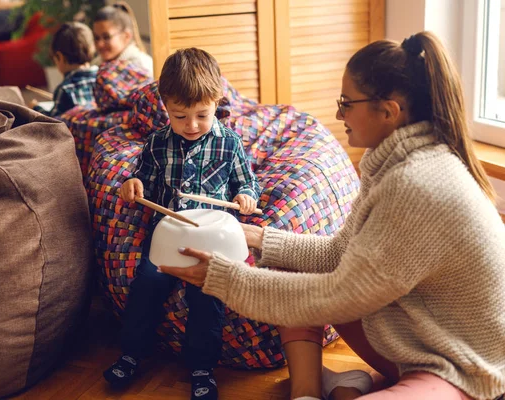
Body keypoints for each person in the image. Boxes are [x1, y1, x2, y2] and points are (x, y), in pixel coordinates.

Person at [159, 31, 505, 400]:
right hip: (419, 343)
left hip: (467, 370)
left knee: (315, 289)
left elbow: (342, 294)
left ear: (388, 112)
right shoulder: (390, 163)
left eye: (346, 102)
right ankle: (308, 392)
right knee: (292, 264)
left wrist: (222, 278)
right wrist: (259, 237)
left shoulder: (416, 182)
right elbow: (340, 254)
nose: (339, 113)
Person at [102, 48, 261, 400]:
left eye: (202, 115)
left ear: (217, 101)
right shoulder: (157, 143)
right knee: (146, 286)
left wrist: (247, 197)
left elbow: (247, 183)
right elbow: (140, 178)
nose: (191, 125)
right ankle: (131, 353)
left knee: (208, 299)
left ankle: (202, 368)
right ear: (165, 107)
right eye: (179, 116)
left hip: (211, 240)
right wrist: (133, 185)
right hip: (167, 235)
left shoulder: (229, 143)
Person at [32, 22, 98, 117]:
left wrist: (36, 108)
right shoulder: (102, 78)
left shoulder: (65, 89)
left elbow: (54, 122)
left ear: (60, 57)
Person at [91, 1, 153, 77]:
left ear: (126, 36)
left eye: (106, 37)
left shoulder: (141, 67)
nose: (100, 44)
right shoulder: (95, 65)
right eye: (96, 38)